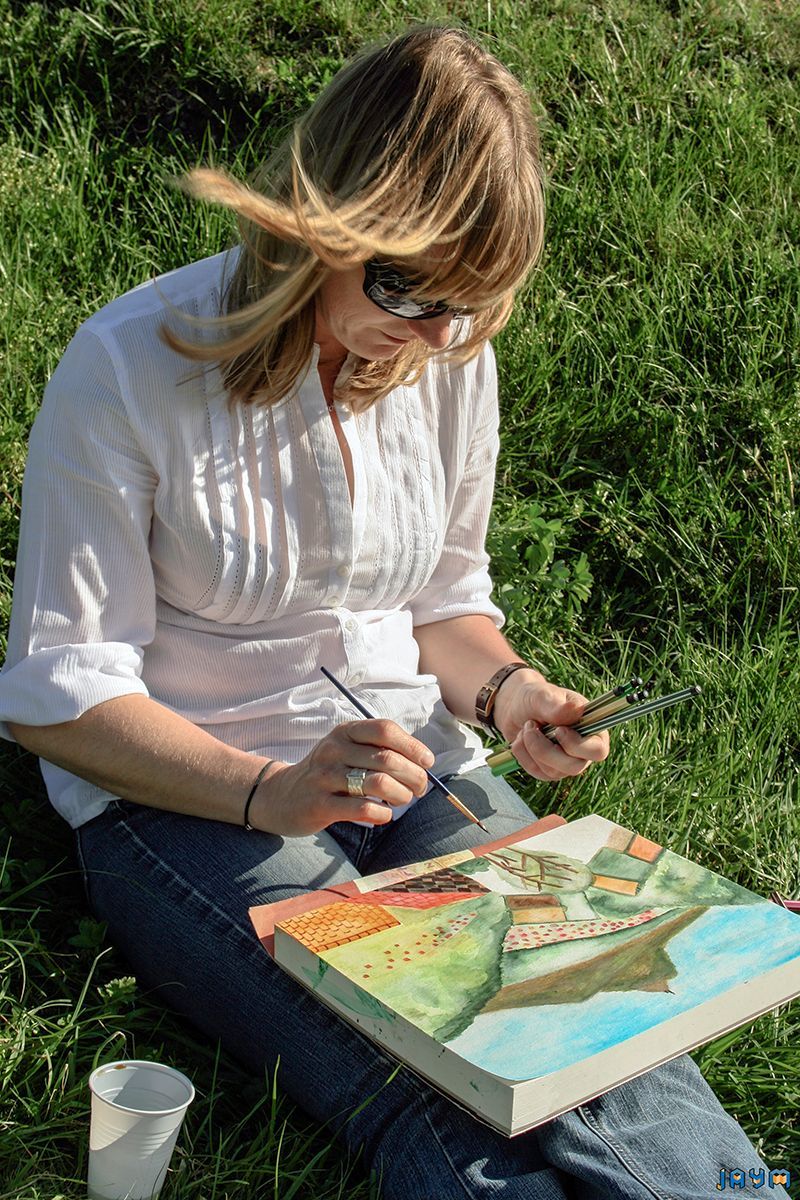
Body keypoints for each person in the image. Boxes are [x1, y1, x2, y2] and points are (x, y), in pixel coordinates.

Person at [0, 25, 784, 1200]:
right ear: (317, 228)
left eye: (470, 306)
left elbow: (442, 602)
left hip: (415, 770)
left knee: (598, 1017)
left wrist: (508, 693)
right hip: (196, 798)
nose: (434, 337)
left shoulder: (446, 354)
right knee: (428, 1076)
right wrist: (268, 792)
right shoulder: (129, 366)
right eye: (405, 289)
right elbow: (59, 696)